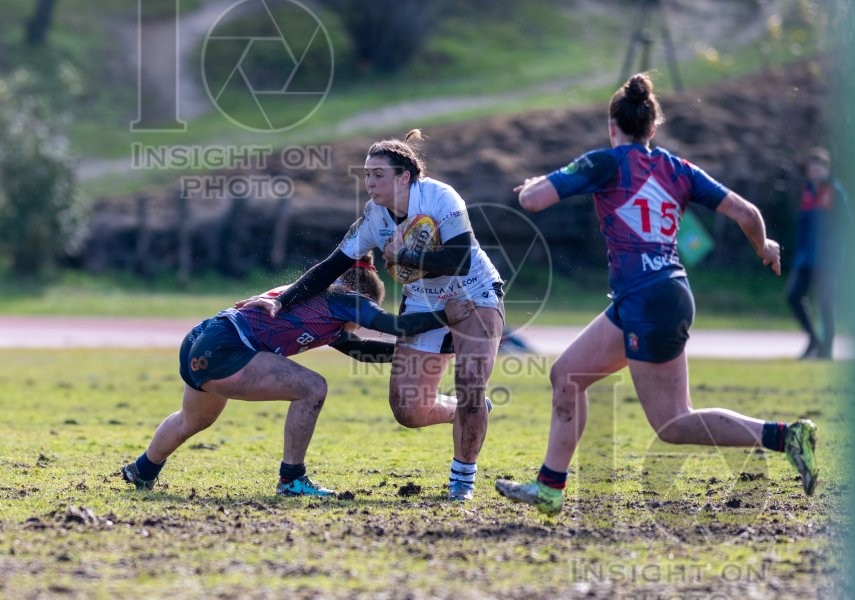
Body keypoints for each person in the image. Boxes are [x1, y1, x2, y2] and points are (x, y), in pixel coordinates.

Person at [494, 73, 819, 515]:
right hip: (660, 293)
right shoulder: (677, 168)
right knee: (567, 376)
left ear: (613, 126)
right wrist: (765, 247)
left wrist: (535, 182)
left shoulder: (604, 163)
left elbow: (532, 200)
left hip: (648, 302)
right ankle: (550, 488)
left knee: (672, 422)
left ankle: (785, 436)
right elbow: (746, 212)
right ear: (653, 127)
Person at [238, 131, 505, 501]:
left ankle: (461, 484)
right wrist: (281, 302)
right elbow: (329, 269)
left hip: (473, 293)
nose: (369, 182)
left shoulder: (440, 197)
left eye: (378, 174)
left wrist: (406, 256)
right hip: (424, 301)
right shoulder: (373, 218)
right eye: (366, 175)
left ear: (404, 177)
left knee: (471, 382)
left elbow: (458, 260)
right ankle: (468, 412)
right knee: (408, 410)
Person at [121, 253, 473, 496]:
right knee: (312, 388)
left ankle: (142, 470)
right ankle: (292, 479)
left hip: (202, 338)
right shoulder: (347, 298)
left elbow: (360, 351)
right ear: (365, 295)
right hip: (227, 346)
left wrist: (434, 351)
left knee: (192, 420)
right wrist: (448, 316)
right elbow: (395, 325)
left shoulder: (316, 302)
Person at [786, 147, 849, 360]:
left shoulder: (835, 192)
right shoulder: (807, 192)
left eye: (817, 167)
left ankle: (826, 351)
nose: (813, 172)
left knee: (826, 302)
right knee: (793, 296)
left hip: (828, 260)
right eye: (810, 168)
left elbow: (844, 226)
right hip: (806, 258)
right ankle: (814, 338)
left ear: (826, 168)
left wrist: (833, 253)